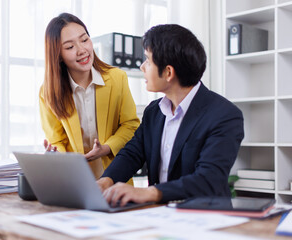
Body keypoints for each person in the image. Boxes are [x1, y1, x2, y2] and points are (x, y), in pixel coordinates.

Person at [97, 24, 244, 206]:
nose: (142, 67)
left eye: (148, 61)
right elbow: (132, 153)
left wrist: (148, 193)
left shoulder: (225, 115)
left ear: (168, 72)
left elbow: (208, 179)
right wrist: (106, 180)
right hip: (161, 215)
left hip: (205, 217)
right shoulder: (154, 111)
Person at [39, 13, 140, 180]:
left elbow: (130, 125)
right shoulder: (48, 92)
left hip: (115, 180)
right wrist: (55, 154)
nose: (82, 50)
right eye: (70, 47)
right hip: (75, 181)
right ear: (58, 55)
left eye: (84, 40)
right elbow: (57, 140)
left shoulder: (117, 78)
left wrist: (106, 148)